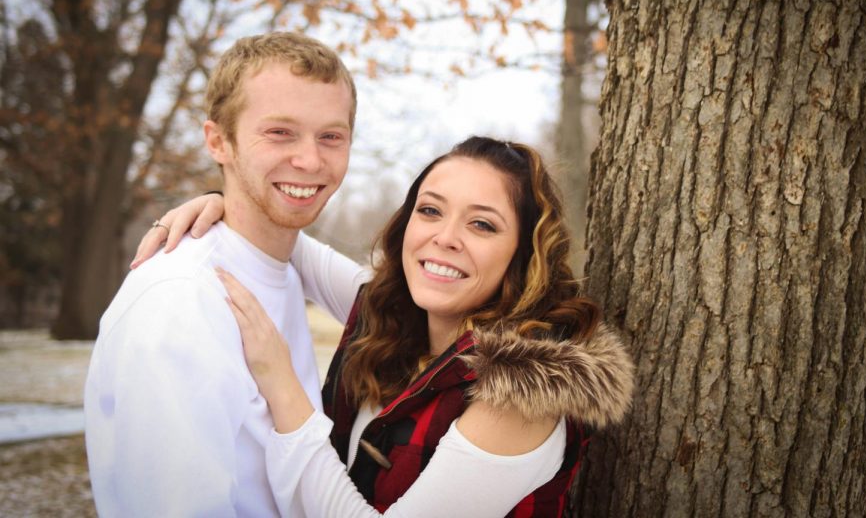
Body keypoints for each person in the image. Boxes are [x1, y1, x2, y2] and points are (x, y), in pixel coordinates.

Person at [137, 136, 635, 517]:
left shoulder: (521, 395)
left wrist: (280, 384)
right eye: (431, 211)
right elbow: (285, 236)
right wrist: (217, 202)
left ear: (523, 255)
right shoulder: (391, 311)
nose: (445, 238)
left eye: (481, 224)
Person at [83, 31, 370, 517]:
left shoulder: (279, 264)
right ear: (218, 140)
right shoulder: (182, 299)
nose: (310, 159)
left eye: (331, 136)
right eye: (279, 132)